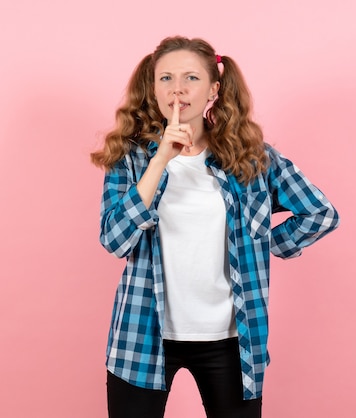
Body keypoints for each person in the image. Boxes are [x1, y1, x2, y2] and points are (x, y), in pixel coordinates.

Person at [91, 36, 340, 418]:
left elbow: (320, 212)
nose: (177, 89)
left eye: (191, 77)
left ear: (213, 88)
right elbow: (114, 239)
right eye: (166, 79)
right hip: (143, 335)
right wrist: (160, 162)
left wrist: (268, 243)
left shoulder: (252, 158)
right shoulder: (133, 158)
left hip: (231, 339)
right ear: (152, 88)